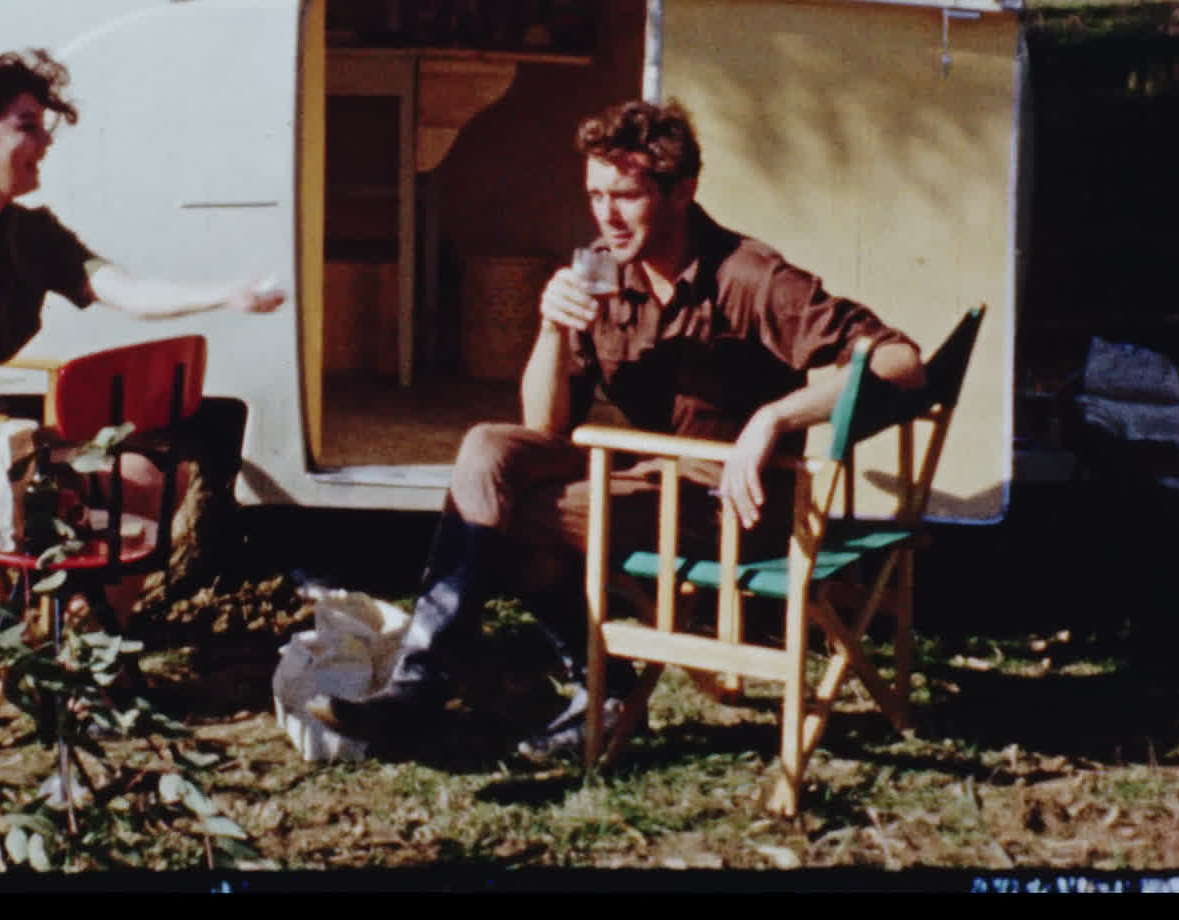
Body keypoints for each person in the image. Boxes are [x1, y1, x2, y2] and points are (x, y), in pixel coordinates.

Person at [317, 98, 923, 761]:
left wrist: (774, 418)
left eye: (626, 195)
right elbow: (544, 425)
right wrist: (551, 325)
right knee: (487, 449)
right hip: (652, 485)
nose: (606, 214)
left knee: (512, 520)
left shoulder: (750, 277)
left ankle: (587, 688)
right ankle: (426, 683)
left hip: (737, 505)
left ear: (682, 192)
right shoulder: (604, 274)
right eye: (595, 194)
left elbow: (900, 362)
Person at [0, 48, 285, 529]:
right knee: (48, 505)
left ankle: (86, 609)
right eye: (27, 126)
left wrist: (223, 294)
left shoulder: (28, 234)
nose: (46, 140)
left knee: (153, 482)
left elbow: (125, 290)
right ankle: (44, 604)